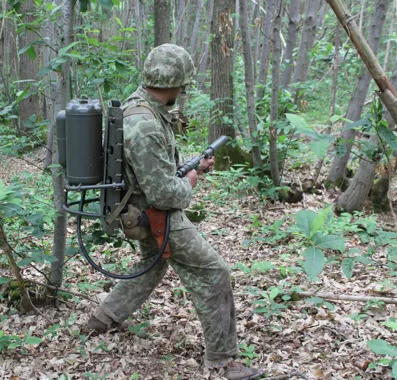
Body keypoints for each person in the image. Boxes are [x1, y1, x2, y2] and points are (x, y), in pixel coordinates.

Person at [87, 44, 265, 380]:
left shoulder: (138, 107)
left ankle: (103, 319)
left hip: (139, 210)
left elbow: (152, 174)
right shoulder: (148, 125)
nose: (182, 93)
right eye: (182, 87)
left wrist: (189, 168)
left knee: (151, 267)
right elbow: (165, 194)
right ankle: (223, 362)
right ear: (174, 85)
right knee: (214, 273)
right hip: (154, 215)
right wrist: (191, 180)